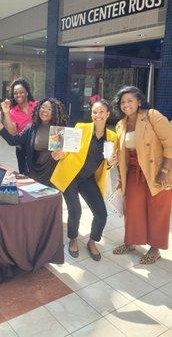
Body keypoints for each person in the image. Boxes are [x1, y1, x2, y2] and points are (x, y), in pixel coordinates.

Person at [111, 86, 172, 264]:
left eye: (130, 100)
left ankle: (155, 248)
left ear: (139, 101)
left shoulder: (152, 116)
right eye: (122, 102)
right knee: (132, 207)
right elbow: (121, 152)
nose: (126, 104)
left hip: (157, 170)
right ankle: (131, 241)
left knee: (158, 209)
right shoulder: (121, 124)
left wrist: (165, 170)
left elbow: (170, 143)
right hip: (133, 172)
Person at [51, 100, 117, 261]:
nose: (98, 115)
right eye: (95, 112)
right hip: (71, 175)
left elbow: (107, 163)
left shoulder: (112, 137)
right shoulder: (82, 128)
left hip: (88, 178)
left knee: (101, 214)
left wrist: (110, 163)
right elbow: (67, 149)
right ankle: (73, 239)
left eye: (101, 112)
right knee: (76, 210)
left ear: (108, 114)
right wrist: (59, 153)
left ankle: (92, 241)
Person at [0, 98, 68, 185]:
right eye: (43, 107)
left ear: (55, 112)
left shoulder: (58, 130)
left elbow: (62, 154)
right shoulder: (31, 128)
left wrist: (63, 152)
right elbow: (13, 141)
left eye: (49, 109)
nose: (45, 111)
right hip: (34, 173)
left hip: (52, 175)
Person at [1, 79, 38, 173]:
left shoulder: (37, 105)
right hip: (22, 149)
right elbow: (13, 133)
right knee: (25, 175)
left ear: (27, 92)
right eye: (15, 93)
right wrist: (7, 113)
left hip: (39, 146)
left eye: (21, 92)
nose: (18, 95)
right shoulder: (12, 112)